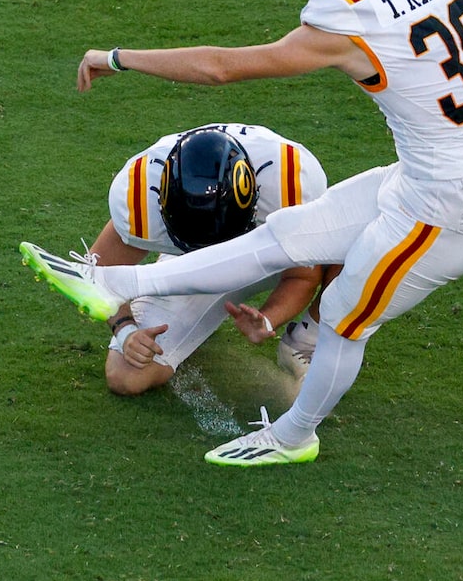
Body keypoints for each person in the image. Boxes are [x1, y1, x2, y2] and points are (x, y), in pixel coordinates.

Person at [27, 0, 463, 464]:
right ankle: (119, 285)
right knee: (285, 234)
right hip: (423, 180)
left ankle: (294, 437)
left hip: (447, 213)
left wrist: (118, 57)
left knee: (345, 321)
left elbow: (223, 68)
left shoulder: (350, 19)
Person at [66, 125, 330, 397]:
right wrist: (126, 331)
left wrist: (268, 318)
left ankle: (305, 343)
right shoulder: (139, 195)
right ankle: (183, 285)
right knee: (126, 375)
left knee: (354, 237)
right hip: (188, 264)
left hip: (264, 257)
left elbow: (302, 275)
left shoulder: (292, 183)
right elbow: (100, 270)